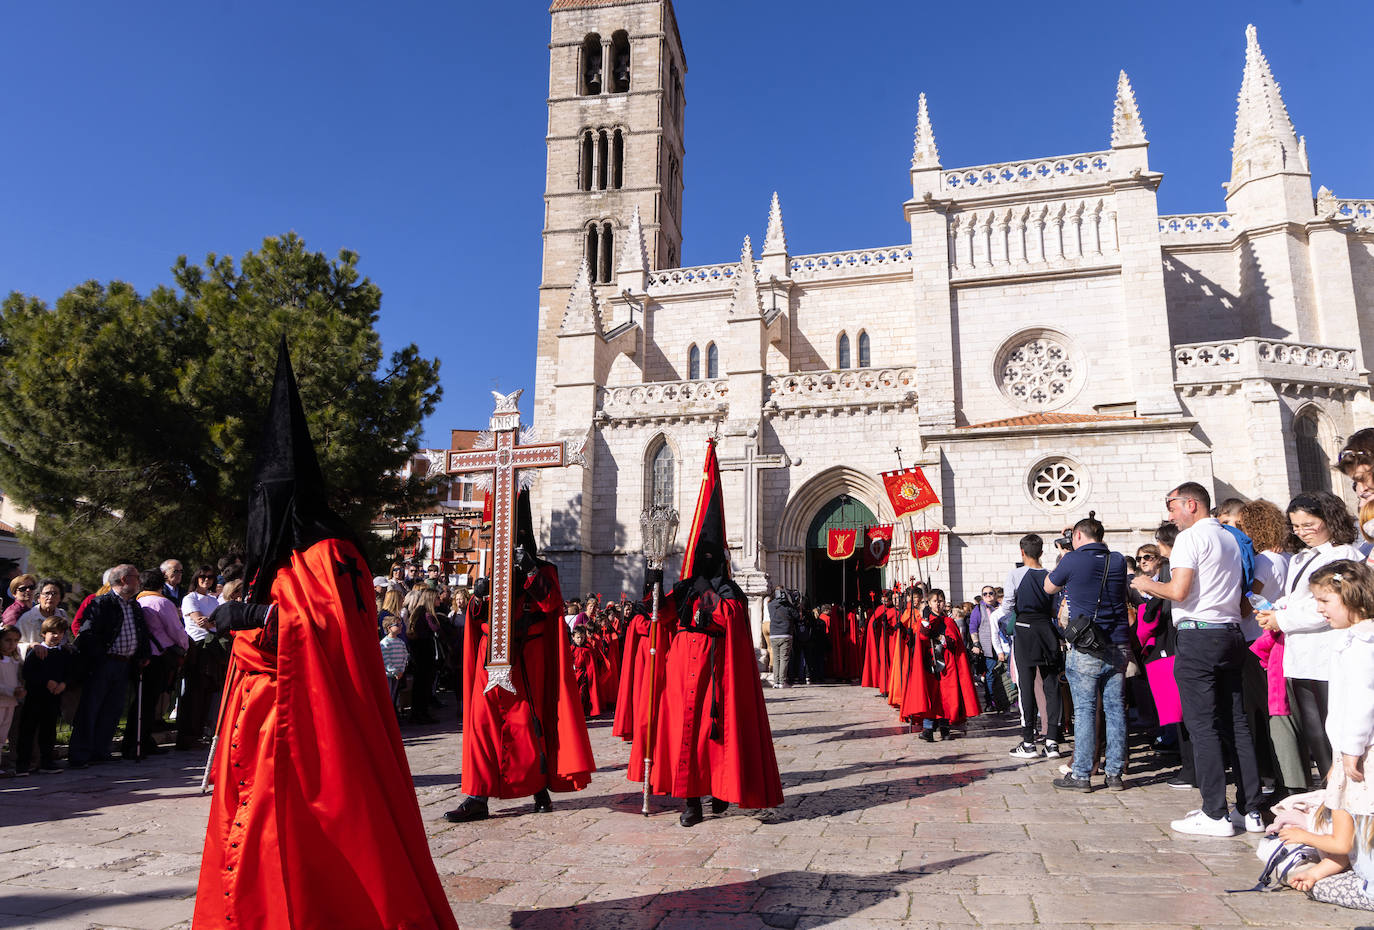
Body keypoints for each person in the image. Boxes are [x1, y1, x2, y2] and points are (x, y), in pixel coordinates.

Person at [194, 338, 456, 929]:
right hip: (255, 719)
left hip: (309, 725)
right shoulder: (274, 560)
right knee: (252, 832)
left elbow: (328, 630)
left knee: (293, 834)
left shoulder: (329, 552)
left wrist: (255, 620)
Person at [647, 441, 782, 827]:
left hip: (716, 672)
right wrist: (654, 582)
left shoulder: (729, 591)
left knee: (714, 732)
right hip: (682, 668)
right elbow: (658, 616)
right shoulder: (684, 587)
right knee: (683, 733)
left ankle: (720, 790)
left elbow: (732, 617)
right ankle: (690, 801)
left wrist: (710, 599)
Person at [446, 489, 595, 823]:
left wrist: (530, 574)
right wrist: (479, 598)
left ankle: (538, 786)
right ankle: (478, 794)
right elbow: (476, 615)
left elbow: (551, 605)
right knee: (482, 722)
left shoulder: (544, 569)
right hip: (490, 656)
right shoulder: (491, 568)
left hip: (528, 656)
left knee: (527, 722)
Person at [1132, 481, 1263, 836]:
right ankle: (1250, 810)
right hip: (1230, 632)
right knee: (1237, 723)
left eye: (1171, 505)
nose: (1169, 513)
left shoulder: (1190, 539)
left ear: (1192, 504)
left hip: (1199, 634)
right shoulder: (1229, 538)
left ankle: (1215, 813)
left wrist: (1146, 585)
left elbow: (1178, 591)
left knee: (1201, 724)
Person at [1278, 559, 1374, 911]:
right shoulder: (1350, 638)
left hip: (1359, 747)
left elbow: (1364, 699)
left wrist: (1350, 750)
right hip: (1351, 746)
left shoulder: (1364, 642)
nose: (1319, 610)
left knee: (1352, 818)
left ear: (1351, 598)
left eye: (1325, 601)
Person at [1256, 492, 1363, 783]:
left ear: (1329, 520)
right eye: (1296, 526)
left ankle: (1343, 795)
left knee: (1332, 729)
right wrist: (1276, 610)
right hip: (1301, 654)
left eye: (1308, 525)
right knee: (1313, 729)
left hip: (1327, 652)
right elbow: (1298, 598)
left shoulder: (1343, 554)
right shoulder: (1301, 556)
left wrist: (1282, 619)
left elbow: (1332, 604)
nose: (1302, 532)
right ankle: (1329, 793)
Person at [1046, 512, 1130, 792]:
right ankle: (1115, 773)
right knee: (1115, 709)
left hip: (1086, 645)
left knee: (1084, 711)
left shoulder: (1071, 559)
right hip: (1118, 643)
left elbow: (1049, 586)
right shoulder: (1117, 559)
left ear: (1077, 536)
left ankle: (1082, 774)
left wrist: (1066, 554)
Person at [69, 564, 152, 768]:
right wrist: (100, 655)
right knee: (91, 708)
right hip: (105, 662)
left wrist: (143, 653)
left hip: (125, 663)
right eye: (136, 577)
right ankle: (80, 754)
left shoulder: (133, 605)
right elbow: (87, 633)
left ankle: (101, 750)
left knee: (113, 709)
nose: (139, 581)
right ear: (124, 580)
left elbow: (140, 631)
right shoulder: (102, 603)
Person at [1004, 535, 1064, 760]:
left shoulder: (1016, 575)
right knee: (1051, 686)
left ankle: (1028, 741)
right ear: (1041, 552)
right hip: (1046, 630)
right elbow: (1055, 606)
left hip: (1025, 629)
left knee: (1026, 686)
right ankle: (1052, 742)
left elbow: (1009, 604)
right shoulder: (1050, 576)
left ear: (1022, 551)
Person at [123, 568, 188, 758]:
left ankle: (135, 740)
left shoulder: (136, 601)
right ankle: (140, 741)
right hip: (157, 656)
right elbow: (175, 630)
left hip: (137, 655)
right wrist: (185, 646)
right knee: (149, 702)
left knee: (140, 701)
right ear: (162, 583)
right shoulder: (163, 603)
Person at [902, 589, 979, 741]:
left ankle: (945, 728)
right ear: (929, 603)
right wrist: (925, 624)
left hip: (947, 665)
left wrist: (940, 637)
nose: (938, 604)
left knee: (946, 696)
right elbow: (922, 637)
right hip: (929, 664)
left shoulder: (949, 621)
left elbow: (954, 642)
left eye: (941, 601)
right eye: (935, 601)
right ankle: (928, 728)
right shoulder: (926, 620)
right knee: (930, 694)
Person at [177, 566, 228, 751]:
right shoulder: (190, 598)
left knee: (208, 692)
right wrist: (211, 622)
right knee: (194, 693)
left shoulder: (213, 600)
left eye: (210, 577)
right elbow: (200, 621)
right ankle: (187, 736)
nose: (206, 580)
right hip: (198, 646)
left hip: (212, 647)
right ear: (196, 579)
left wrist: (211, 622)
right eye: (202, 577)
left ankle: (198, 733)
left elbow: (216, 622)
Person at [16, 617, 70, 774]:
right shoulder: (37, 653)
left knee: (49, 730)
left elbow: (68, 672)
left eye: (60, 633)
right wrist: (46, 681)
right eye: (52, 632)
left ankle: (47, 761)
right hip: (35, 698)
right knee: (28, 730)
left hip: (53, 698)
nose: (56, 636)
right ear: (43, 634)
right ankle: (23, 764)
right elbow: (28, 673)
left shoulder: (63, 653)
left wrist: (63, 684)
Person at [968, 583, 1010, 713]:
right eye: (985, 594)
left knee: (1005, 674)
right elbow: (973, 627)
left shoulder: (1002, 608)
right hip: (988, 647)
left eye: (990, 593)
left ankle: (1006, 700)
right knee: (991, 674)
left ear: (995, 595)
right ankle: (991, 701)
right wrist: (976, 643)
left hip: (1004, 645)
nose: (988, 596)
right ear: (982, 596)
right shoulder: (979, 609)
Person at [403, 586, 440, 725]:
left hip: (422, 651)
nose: (439, 601)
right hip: (423, 652)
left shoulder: (421, 612)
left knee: (422, 684)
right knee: (422, 684)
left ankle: (420, 712)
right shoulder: (425, 614)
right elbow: (435, 629)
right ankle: (420, 713)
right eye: (437, 598)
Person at [15, 578, 67, 649]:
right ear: (38, 597)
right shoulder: (27, 618)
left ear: (60, 598)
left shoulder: (62, 615)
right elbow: (15, 644)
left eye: (54, 593)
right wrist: (30, 645)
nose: (50, 597)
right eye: (47, 593)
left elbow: (64, 640)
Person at [0, 627, 23, 775]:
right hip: (1, 702)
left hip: (11, 702)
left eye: (15, 641)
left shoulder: (15, 660)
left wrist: (19, 689)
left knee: (2, 736)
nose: (12, 644)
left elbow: (16, 679)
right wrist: (11, 691)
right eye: (8, 640)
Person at [766, 586, 797, 689]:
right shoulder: (788, 605)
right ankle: (782, 682)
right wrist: (792, 601)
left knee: (776, 658)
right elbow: (796, 615)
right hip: (785, 634)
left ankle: (776, 682)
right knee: (784, 658)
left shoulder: (770, 605)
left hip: (774, 634)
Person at [379, 617, 409, 719]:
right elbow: (386, 659)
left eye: (401, 624)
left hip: (398, 674)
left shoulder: (401, 642)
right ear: (389, 628)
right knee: (388, 695)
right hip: (389, 674)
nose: (401, 627)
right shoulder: (384, 643)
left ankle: (393, 714)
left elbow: (405, 656)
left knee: (394, 695)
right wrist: (394, 671)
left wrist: (401, 670)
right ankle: (387, 716)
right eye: (397, 625)